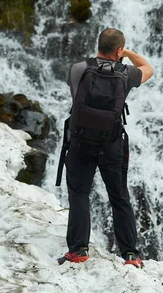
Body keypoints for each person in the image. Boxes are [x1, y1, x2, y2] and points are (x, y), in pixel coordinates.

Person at [58, 27, 154, 268]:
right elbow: (149, 69)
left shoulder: (78, 69)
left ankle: (78, 250)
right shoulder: (127, 73)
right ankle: (130, 255)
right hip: (112, 145)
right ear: (119, 50)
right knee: (119, 197)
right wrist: (128, 53)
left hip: (80, 143)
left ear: (98, 45)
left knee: (79, 194)